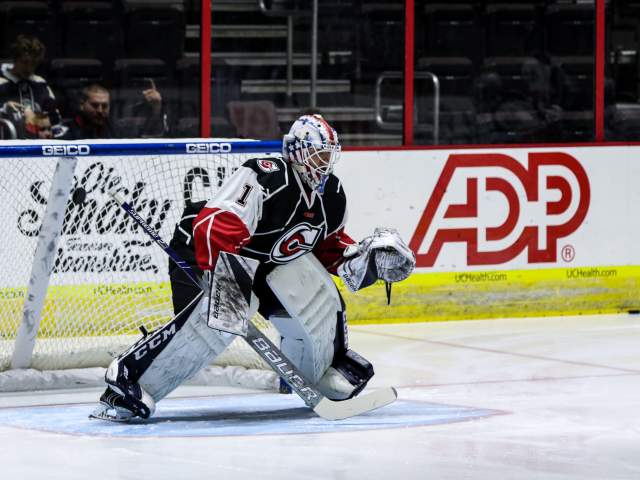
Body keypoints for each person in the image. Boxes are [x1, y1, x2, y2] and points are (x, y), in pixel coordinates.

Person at [92, 114, 416, 421]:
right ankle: (128, 382)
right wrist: (224, 279)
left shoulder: (331, 195)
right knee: (216, 324)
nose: (322, 163)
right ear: (295, 150)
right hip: (203, 248)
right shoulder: (268, 173)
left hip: (262, 263)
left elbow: (324, 248)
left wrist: (364, 259)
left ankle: (321, 369)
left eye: (327, 156)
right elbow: (215, 224)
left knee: (318, 295)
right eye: (316, 154)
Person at [0, 35, 65, 138]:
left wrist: (38, 117)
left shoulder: (40, 83)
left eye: (34, 63)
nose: (29, 68)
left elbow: (54, 119)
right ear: (15, 59)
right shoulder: (1, 82)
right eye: (25, 62)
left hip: (38, 145)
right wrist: (4, 109)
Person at [62, 82, 166, 139]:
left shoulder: (116, 130)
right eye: (95, 105)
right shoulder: (68, 132)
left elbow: (148, 137)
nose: (100, 110)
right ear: (82, 105)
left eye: (104, 106)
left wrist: (156, 109)